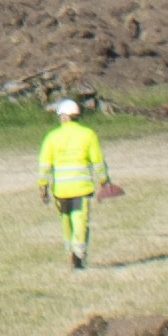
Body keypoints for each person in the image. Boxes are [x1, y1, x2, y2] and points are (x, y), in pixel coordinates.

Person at [34, 98, 110, 268]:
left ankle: (70, 253)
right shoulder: (88, 134)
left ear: (64, 117)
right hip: (80, 189)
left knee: (66, 222)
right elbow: (98, 161)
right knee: (80, 221)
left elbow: (45, 164)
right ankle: (79, 254)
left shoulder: (52, 137)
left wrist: (43, 186)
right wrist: (104, 180)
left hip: (61, 190)